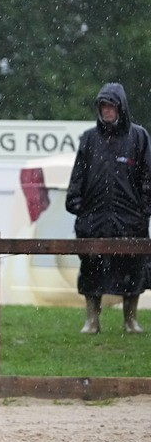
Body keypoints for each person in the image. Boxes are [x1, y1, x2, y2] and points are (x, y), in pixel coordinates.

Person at [66, 82, 151, 334]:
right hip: (93, 220)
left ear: (121, 108)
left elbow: (148, 178)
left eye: (111, 107)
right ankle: (92, 320)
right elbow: (77, 177)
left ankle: (130, 320)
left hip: (130, 221)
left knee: (133, 270)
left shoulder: (139, 137)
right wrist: (77, 205)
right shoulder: (89, 139)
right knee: (91, 269)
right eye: (103, 106)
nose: (107, 111)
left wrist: (143, 210)